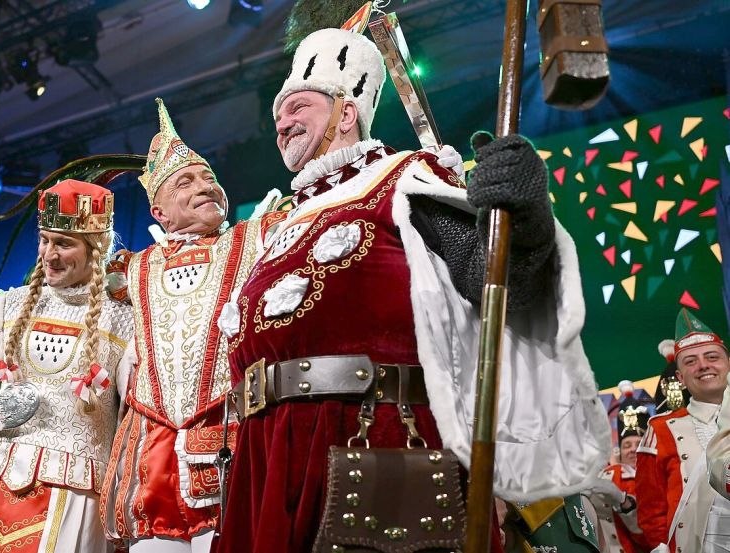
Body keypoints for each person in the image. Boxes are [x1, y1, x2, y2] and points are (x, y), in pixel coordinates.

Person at [214, 15, 610, 553]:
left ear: (346, 112)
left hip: (371, 439)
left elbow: (493, 281)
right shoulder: (280, 222)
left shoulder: (404, 179)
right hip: (270, 456)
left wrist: (525, 218)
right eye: (278, 113)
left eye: (296, 107)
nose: (281, 123)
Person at [98, 99, 294, 553]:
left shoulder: (251, 238)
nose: (205, 186)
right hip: (150, 454)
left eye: (210, 177)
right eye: (185, 182)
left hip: (227, 438)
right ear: (159, 212)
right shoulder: (133, 269)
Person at [0, 180, 134, 552]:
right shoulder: (6, 307)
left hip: (76, 497)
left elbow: (138, 416)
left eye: (64, 243)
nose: (49, 254)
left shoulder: (125, 322)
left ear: (96, 249)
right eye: (44, 240)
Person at [637, 308, 730, 552]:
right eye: (691, 361)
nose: (703, 366)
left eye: (712, 357)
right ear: (680, 377)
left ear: (728, 364)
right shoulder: (660, 429)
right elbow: (651, 512)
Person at [588, 380, 650, 552]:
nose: (632, 450)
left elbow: (650, 536)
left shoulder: (657, 477)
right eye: (626, 445)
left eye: (638, 443)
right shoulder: (609, 474)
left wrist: (625, 503)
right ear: (619, 451)